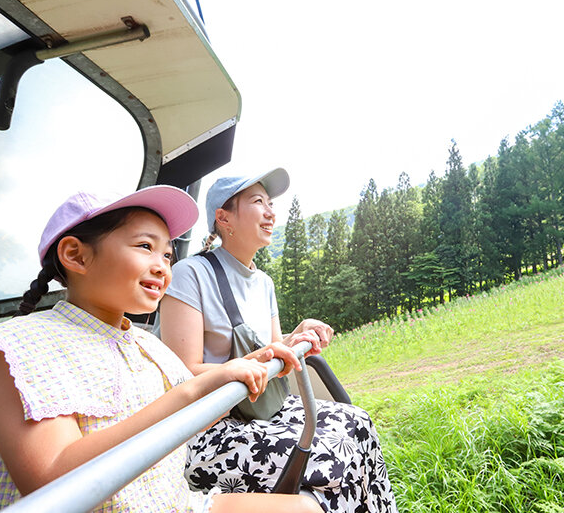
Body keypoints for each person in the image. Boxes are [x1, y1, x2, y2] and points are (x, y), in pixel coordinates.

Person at [0, 186, 322, 513]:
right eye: (145, 246)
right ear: (76, 255)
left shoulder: (145, 343)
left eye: (167, 254)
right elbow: (52, 481)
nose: (162, 266)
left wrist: (256, 361)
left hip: (174, 502)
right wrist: (192, 392)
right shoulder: (21, 347)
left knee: (305, 508)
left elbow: (204, 410)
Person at [158, 169, 398, 512]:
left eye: (271, 203)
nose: (271, 211)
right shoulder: (191, 274)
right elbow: (181, 375)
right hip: (213, 426)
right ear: (224, 218)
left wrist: (295, 337)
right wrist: (257, 360)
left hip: (266, 408)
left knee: (358, 425)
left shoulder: (263, 284)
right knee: (331, 459)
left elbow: (271, 354)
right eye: (258, 202)